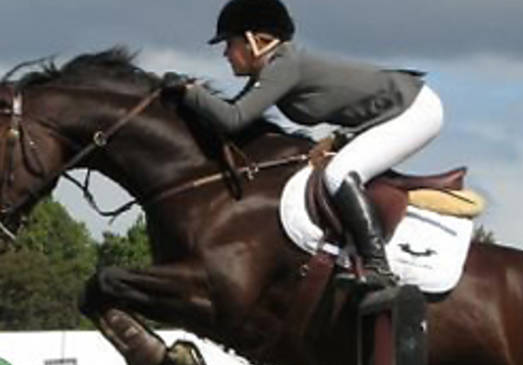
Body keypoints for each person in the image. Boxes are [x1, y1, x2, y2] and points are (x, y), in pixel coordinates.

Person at [162, 0, 445, 288]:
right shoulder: (277, 66)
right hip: (399, 108)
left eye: (229, 43)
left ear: (254, 41)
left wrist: (189, 91)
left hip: (415, 110)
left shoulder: (283, 65)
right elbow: (234, 113)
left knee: (338, 174)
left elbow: (233, 119)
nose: (225, 53)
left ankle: (377, 265)